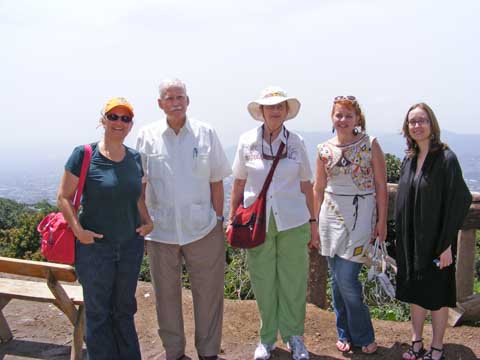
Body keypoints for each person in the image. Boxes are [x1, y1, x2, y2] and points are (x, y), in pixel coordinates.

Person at [136, 78, 231, 360]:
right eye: (169, 98)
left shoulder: (205, 133)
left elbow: (216, 181)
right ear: (160, 104)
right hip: (160, 230)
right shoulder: (147, 136)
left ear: (188, 101)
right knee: (165, 297)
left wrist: (217, 219)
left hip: (203, 227)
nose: (175, 102)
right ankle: (174, 352)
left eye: (180, 97)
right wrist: (143, 222)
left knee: (209, 295)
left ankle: (209, 352)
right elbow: (140, 185)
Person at [57, 97, 153, 360]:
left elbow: (136, 197)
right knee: (98, 313)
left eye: (125, 118)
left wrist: (147, 221)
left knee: (124, 309)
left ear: (131, 124)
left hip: (129, 246)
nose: (119, 123)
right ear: (103, 120)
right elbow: (64, 197)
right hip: (95, 249)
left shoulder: (135, 158)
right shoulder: (84, 154)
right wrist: (79, 232)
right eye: (113, 117)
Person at [228, 86, 317, 360]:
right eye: (270, 106)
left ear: (286, 111)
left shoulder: (297, 143)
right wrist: (233, 218)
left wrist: (313, 222)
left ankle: (294, 337)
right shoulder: (247, 142)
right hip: (258, 223)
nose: (275, 110)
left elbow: (306, 185)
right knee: (263, 281)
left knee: (293, 281)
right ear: (262, 111)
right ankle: (267, 338)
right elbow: (239, 183)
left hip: (293, 221)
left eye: (280, 106)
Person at [395, 103, 472, 360]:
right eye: (412, 122)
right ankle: (416, 342)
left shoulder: (446, 159)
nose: (417, 125)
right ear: (407, 128)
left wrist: (446, 244)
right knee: (416, 293)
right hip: (412, 242)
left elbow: (460, 199)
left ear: (432, 124)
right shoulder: (409, 159)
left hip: (437, 243)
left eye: (422, 120)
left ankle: (437, 347)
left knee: (437, 296)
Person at [313, 95, 387, 354]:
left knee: (346, 278)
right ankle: (344, 333)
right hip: (330, 216)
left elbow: (380, 185)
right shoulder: (323, 148)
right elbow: (319, 187)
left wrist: (381, 222)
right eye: (338, 115)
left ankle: (363, 334)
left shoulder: (370, 144)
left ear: (357, 118)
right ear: (332, 117)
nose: (343, 120)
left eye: (348, 115)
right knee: (336, 279)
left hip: (361, 214)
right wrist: (315, 223)